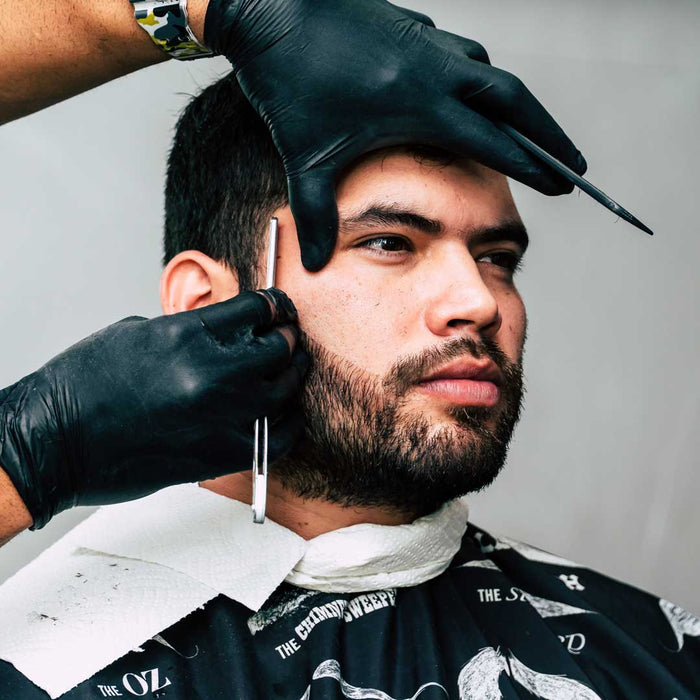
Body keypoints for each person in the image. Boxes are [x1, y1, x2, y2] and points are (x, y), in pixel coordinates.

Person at [1, 73, 698, 700]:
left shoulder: (660, 658)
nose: (479, 301)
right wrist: (26, 458)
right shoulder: (45, 667)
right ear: (206, 304)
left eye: (497, 257)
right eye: (390, 242)